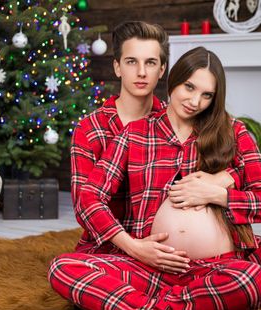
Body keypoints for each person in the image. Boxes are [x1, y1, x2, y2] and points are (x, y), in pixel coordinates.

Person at [49, 47, 261, 310]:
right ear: (173, 79)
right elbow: (88, 199)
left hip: (213, 268)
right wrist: (133, 247)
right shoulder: (134, 134)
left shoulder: (234, 132)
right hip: (148, 266)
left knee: (253, 282)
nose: (195, 101)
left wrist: (216, 192)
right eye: (189, 87)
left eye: (207, 95)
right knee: (63, 268)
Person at [72, 21, 241, 259]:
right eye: (131, 62)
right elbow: (85, 203)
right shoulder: (90, 129)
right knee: (66, 269)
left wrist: (227, 177)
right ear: (117, 67)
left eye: (150, 63)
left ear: (162, 70)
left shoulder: (181, 117)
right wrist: (133, 246)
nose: (141, 72)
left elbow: (210, 168)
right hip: (111, 242)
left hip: (169, 242)